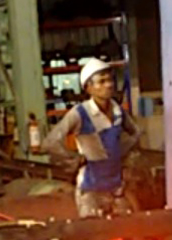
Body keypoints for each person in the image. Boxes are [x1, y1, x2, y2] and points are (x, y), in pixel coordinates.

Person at [43, 58, 139, 217]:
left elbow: (135, 133)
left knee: (127, 227)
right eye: (101, 82)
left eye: (109, 80)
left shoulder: (117, 110)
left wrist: (121, 154)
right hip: (90, 190)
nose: (108, 85)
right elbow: (50, 143)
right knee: (92, 229)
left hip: (116, 188)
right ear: (88, 87)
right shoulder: (80, 113)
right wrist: (75, 158)